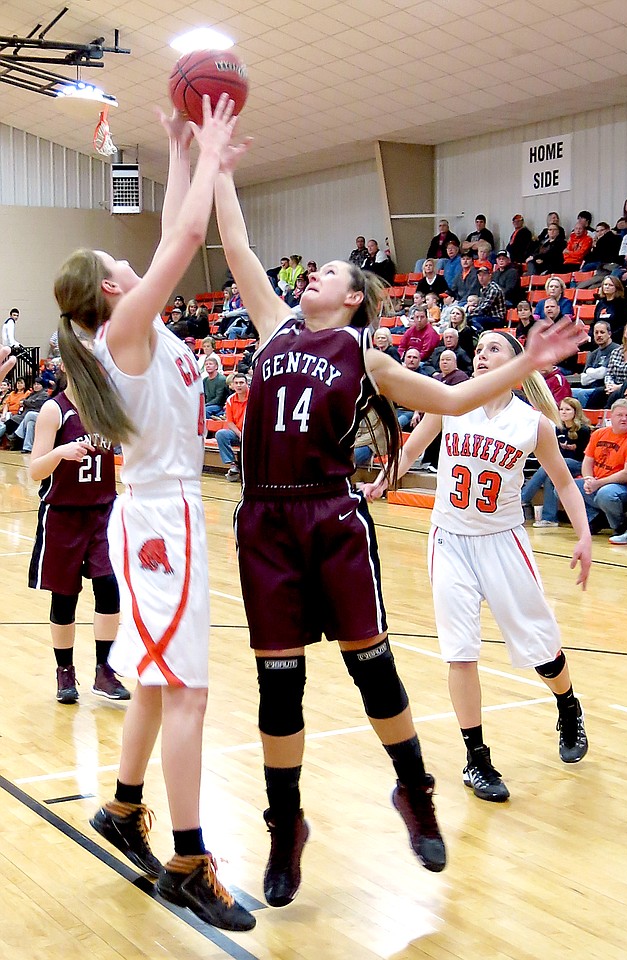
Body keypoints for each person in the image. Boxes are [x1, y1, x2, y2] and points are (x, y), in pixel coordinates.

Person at [214, 130, 587, 905]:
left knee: (371, 668)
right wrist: (216, 163)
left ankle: (415, 790)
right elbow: (236, 241)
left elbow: (451, 401)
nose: (307, 273)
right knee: (278, 691)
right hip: (263, 522)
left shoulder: (367, 354)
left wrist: (525, 364)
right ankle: (287, 826)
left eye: (325, 272)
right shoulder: (274, 323)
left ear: (351, 296)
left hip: (329, 517)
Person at [53, 95, 255, 932]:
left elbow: (176, 225)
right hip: (160, 522)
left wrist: (179, 148)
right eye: (118, 259)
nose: (136, 261)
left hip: (159, 516)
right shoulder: (127, 330)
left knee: (152, 679)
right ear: (111, 286)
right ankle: (189, 859)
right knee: (189, 697)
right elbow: (179, 242)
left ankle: (123, 805)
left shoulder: (133, 328)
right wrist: (211, 154)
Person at [365, 330, 591, 802]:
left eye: (495, 349)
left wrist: (585, 536)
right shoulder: (449, 404)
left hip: (503, 542)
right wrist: (386, 478)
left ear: (515, 365)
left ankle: (567, 705)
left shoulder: (533, 424)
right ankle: (476, 758)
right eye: (481, 348)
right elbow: (409, 449)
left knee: (541, 645)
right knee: (460, 650)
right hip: (449, 539)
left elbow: (566, 485)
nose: (483, 355)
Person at [27, 370, 129, 704]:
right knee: (65, 597)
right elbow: (34, 470)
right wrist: (60, 453)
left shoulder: (106, 408)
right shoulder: (55, 410)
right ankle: (65, 672)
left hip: (102, 513)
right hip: (63, 514)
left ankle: (104, 669)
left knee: (109, 588)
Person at [521, 397, 593, 526]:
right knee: (551, 478)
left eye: (567, 409)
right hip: (562, 463)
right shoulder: (558, 428)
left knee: (549, 467)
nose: (563, 412)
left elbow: (584, 456)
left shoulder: (583, 430)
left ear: (575, 412)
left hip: (578, 464)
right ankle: (550, 518)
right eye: (561, 409)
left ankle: (523, 497)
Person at [575, 398, 627, 534]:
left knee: (605, 494)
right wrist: (588, 479)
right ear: (611, 416)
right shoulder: (599, 433)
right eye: (619, 415)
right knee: (566, 488)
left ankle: (619, 526)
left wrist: (598, 483)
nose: (624, 419)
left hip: (621, 487)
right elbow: (587, 461)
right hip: (597, 481)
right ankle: (597, 518)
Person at [572, 320, 617, 407]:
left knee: (581, 394)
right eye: (596, 332)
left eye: (602, 332)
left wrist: (590, 371)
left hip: (604, 388)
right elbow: (583, 380)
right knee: (569, 391)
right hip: (590, 387)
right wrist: (595, 373)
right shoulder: (593, 353)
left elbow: (602, 373)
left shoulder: (615, 350)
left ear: (609, 334)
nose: (599, 335)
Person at [216, 372, 249, 481]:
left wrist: (245, 434)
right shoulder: (230, 400)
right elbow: (230, 422)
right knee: (221, 434)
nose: (239, 385)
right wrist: (240, 434)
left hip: (251, 433)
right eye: (236, 383)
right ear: (233, 385)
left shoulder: (254, 397)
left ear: (246, 384)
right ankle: (233, 464)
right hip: (237, 433)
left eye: (241, 383)